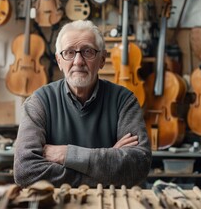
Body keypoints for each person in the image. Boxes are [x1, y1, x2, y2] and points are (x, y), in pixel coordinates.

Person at [13, 20, 152, 188]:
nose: (78, 61)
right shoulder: (39, 101)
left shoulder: (124, 100)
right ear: (59, 61)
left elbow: (138, 165)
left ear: (102, 59)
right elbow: (25, 171)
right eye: (69, 53)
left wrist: (68, 155)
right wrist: (108, 163)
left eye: (87, 52)